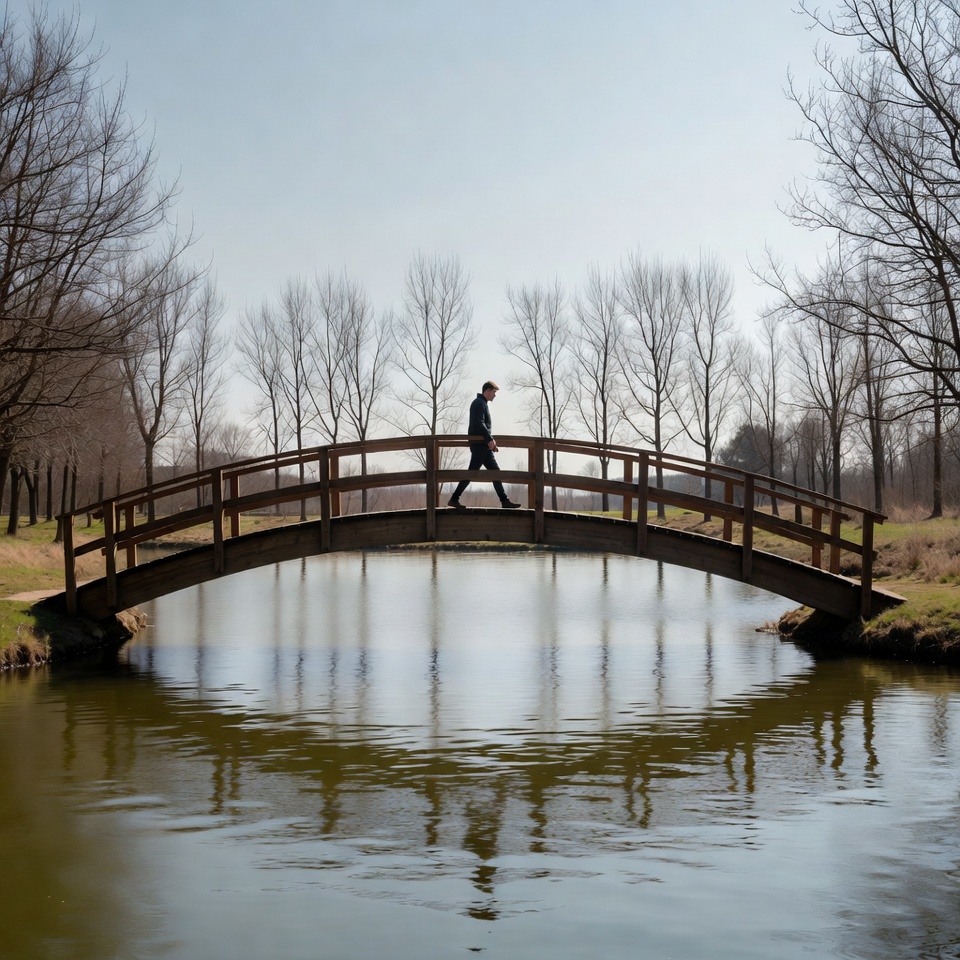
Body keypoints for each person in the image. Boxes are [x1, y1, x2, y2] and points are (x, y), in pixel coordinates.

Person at [448, 381, 521, 509]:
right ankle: (454, 498)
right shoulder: (479, 403)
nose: (495, 395)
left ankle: (504, 501)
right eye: (494, 392)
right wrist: (489, 439)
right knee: (473, 473)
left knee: (494, 473)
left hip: (483, 446)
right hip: (480, 446)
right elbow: (479, 423)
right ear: (487, 390)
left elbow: (480, 424)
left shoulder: (482, 403)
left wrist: (490, 442)